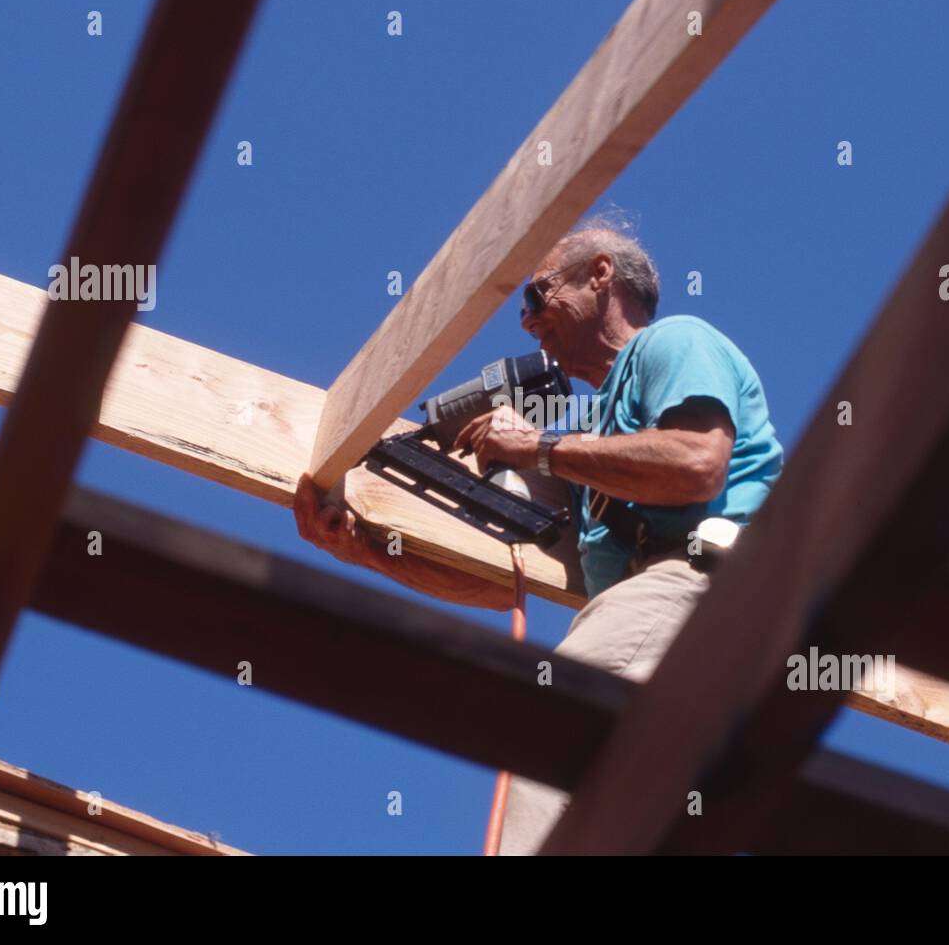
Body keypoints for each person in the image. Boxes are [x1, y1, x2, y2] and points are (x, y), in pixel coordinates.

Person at [293, 217, 784, 853]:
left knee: (555, 734)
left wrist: (539, 447)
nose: (527, 322)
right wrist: (363, 549)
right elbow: (503, 581)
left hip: (695, 579)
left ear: (601, 274)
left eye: (537, 296)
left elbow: (696, 463)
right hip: (683, 626)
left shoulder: (674, 343)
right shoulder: (593, 434)